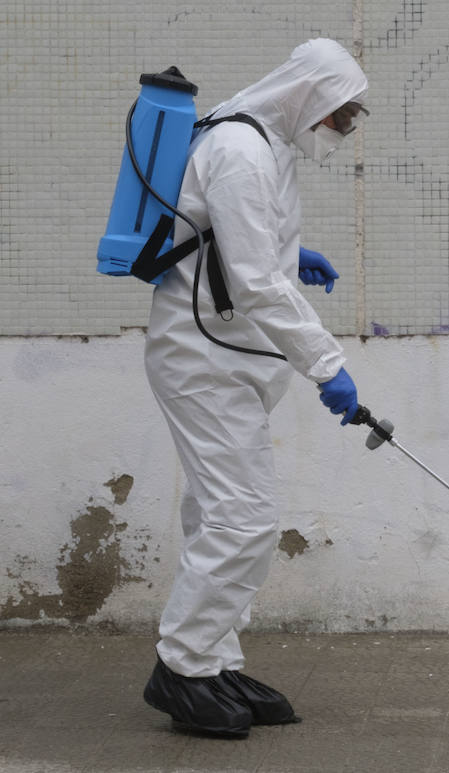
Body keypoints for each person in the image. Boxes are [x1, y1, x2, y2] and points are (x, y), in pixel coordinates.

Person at [140, 39, 369, 738]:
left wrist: (291, 253)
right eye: (341, 118)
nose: (342, 132)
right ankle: (181, 665)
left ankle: (212, 657)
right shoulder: (240, 148)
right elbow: (254, 282)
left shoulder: (260, 138)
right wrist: (327, 365)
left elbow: (236, 240)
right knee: (244, 518)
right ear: (308, 99)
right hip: (205, 363)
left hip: (227, 358)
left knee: (218, 514)